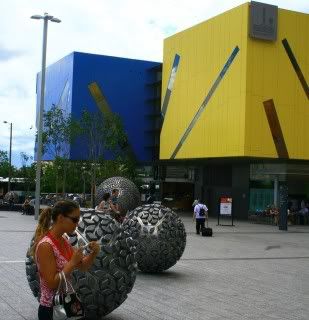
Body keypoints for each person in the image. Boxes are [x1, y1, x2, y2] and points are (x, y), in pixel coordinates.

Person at [30, 200, 100, 320]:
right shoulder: (46, 245)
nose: (77, 224)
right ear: (61, 218)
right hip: (51, 309)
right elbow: (51, 283)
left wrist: (93, 253)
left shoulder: (64, 241)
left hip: (66, 304)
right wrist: (72, 263)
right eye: (74, 220)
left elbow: (82, 266)